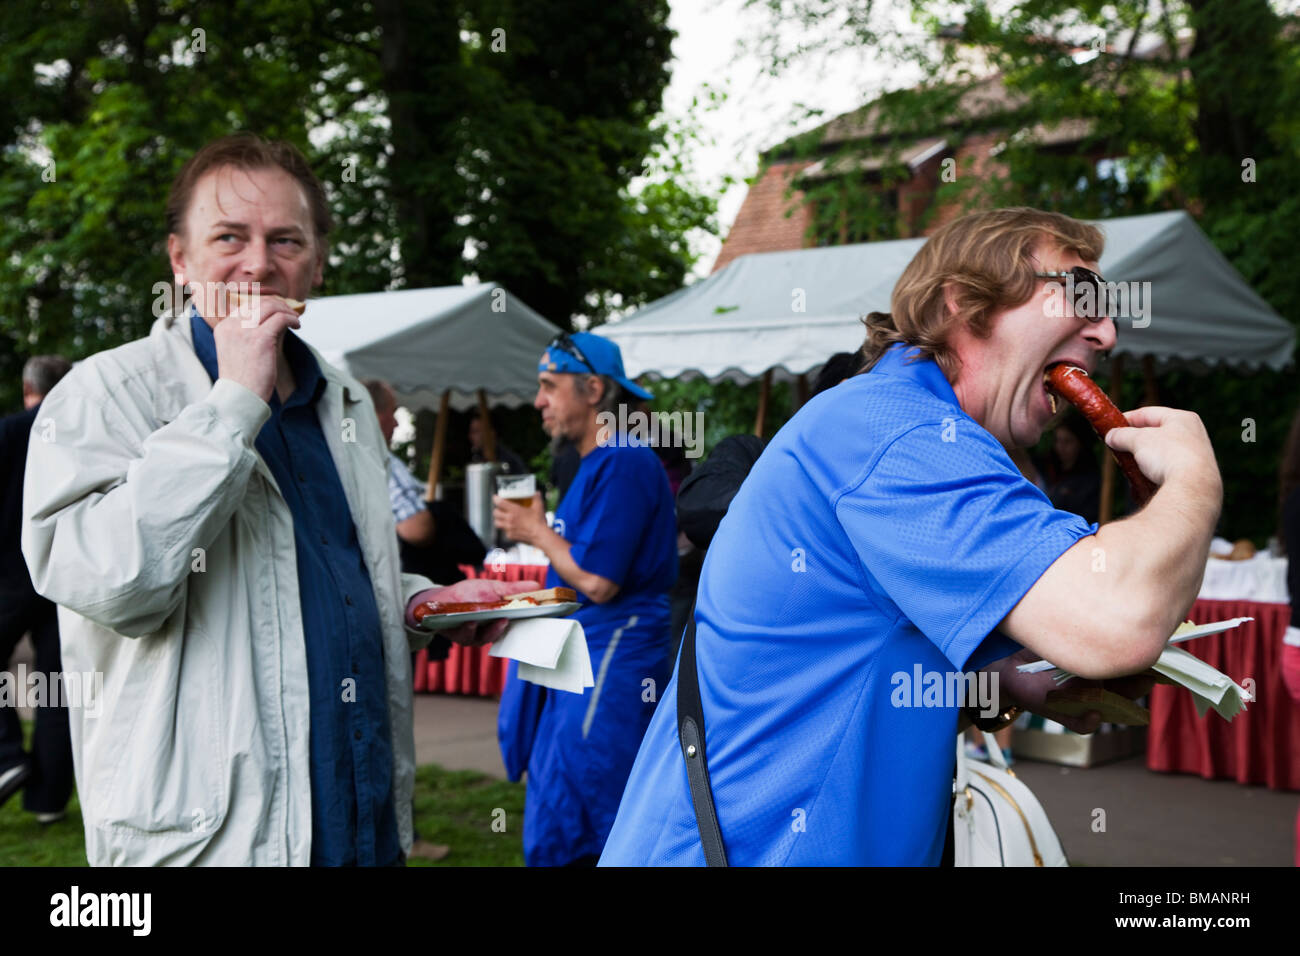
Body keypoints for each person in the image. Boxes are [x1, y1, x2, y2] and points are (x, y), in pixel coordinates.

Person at [600, 207, 1222, 865]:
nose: (1109, 332)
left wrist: (1007, 684)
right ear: (965, 304)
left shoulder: (902, 423)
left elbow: (855, 652)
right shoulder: (903, 436)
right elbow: (1114, 620)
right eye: (1083, 296)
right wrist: (1195, 485)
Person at [20, 133, 535, 866]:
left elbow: (320, 572)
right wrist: (233, 402)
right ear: (181, 259)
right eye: (229, 236)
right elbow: (114, 584)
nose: (259, 262)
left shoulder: (345, 399)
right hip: (215, 840)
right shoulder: (103, 394)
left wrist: (419, 603)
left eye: (285, 239)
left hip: (361, 819)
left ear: (316, 265)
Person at [493, 331, 677, 866]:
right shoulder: (594, 464)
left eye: (549, 387)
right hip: (579, 655)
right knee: (556, 799)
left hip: (614, 658)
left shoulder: (624, 460)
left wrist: (536, 530)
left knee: (599, 810)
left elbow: (599, 581)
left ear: (593, 389)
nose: (539, 402)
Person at [0, 355, 74, 823]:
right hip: (67, 574)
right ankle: (48, 799)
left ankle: (6, 758)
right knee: (54, 686)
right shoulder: (86, 431)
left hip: (9, 574)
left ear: (29, 388)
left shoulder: (9, 432)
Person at [1044, 411, 1101, 524]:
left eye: (1067, 442)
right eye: (1057, 440)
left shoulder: (1090, 480)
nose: (1060, 447)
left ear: (1080, 443)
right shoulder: (1046, 467)